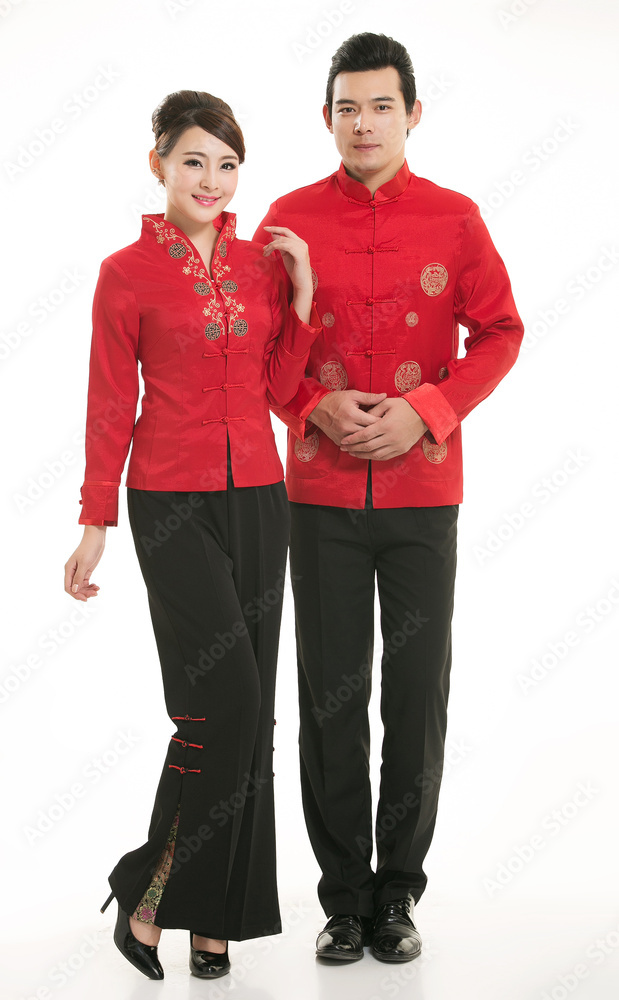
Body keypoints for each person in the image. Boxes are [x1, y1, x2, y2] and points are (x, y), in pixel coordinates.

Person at [252, 32, 524, 964]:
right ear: (324, 118)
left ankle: (396, 894)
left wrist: (426, 410)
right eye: (345, 108)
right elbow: (259, 350)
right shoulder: (287, 219)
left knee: (415, 695)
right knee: (330, 697)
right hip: (319, 496)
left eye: (379, 106)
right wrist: (311, 403)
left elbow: (499, 331)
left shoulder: (455, 218)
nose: (361, 123)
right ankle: (342, 900)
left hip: (422, 496)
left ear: (411, 113)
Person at [64, 89, 321, 981]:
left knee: (253, 718)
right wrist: (94, 520)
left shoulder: (260, 265)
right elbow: (110, 401)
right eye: (193, 161)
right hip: (169, 503)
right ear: (159, 165)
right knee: (221, 706)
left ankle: (216, 921)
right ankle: (147, 888)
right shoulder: (125, 273)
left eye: (227, 164)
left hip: (259, 497)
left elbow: (281, 390)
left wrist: (302, 294)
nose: (211, 180)